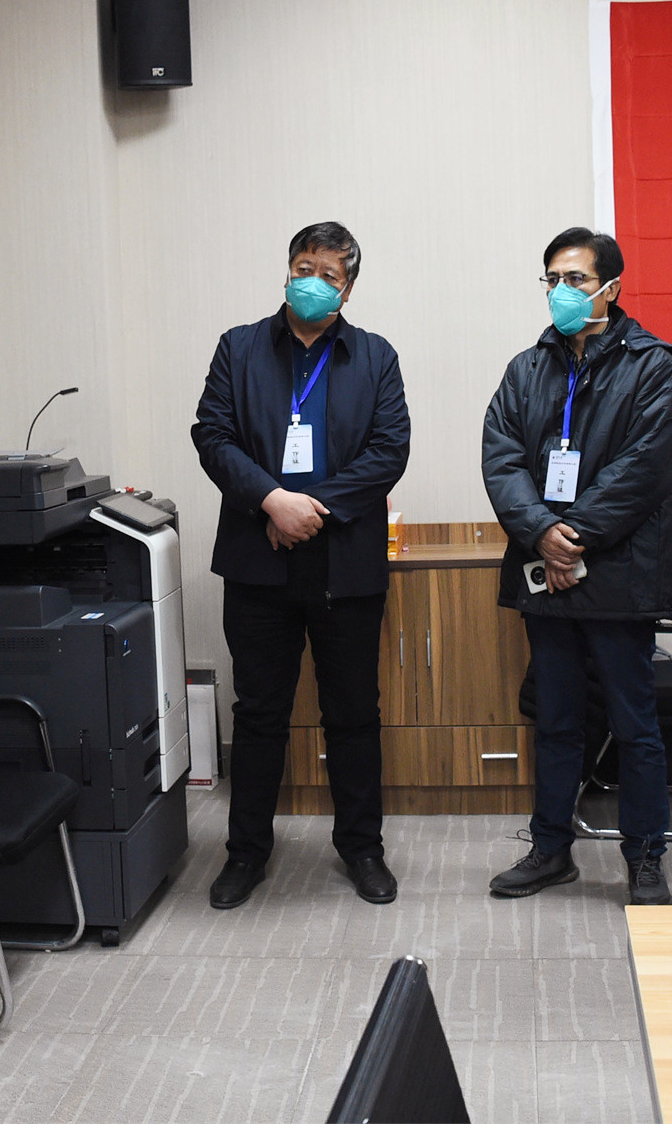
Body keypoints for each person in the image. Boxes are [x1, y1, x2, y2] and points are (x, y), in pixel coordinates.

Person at [192, 222, 410, 911]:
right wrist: (270, 500)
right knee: (259, 713)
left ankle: (362, 847)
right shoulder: (239, 348)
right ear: (287, 270)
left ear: (349, 288)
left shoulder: (375, 357)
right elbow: (212, 434)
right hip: (257, 563)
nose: (313, 281)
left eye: (329, 273)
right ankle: (246, 852)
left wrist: (309, 509)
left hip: (345, 566)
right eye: (303, 267)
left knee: (354, 712)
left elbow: (389, 449)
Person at [482, 227, 672, 907]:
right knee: (556, 719)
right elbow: (501, 456)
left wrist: (574, 538)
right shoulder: (527, 368)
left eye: (576, 278)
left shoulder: (653, 364)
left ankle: (646, 857)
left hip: (618, 572)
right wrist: (543, 534)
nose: (561, 291)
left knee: (634, 724)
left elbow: (646, 465)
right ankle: (550, 850)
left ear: (611, 287)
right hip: (545, 571)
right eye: (553, 279)